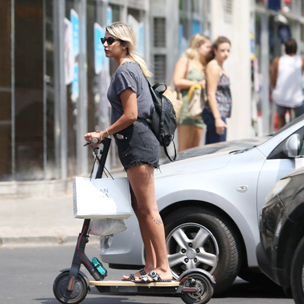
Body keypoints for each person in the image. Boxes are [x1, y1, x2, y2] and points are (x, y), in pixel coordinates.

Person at [84, 21, 173, 283]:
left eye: (110, 40)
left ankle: (164, 268)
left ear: (124, 44)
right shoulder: (132, 68)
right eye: (103, 40)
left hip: (138, 143)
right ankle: (150, 266)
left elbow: (132, 114)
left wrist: (103, 133)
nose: (105, 44)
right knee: (140, 208)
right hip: (135, 142)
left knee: (148, 209)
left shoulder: (125, 71)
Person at [173, 34, 211, 151]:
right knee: (184, 150)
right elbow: (177, 81)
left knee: (195, 150)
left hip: (200, 109)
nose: (210, 50)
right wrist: (197, 83)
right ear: (197, 46)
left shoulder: (205, 64)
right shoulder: (186, 60)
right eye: (207, 47)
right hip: (187, 107)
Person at [270, 39, 304, 129]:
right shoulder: (302, 61)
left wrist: (275, 89)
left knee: (281, 116)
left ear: (285, 50)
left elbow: (273, 80)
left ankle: (279, 135)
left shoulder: (278, 61)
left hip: (281, 98)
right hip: (297, 100)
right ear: (296, 50)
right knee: (301, 120)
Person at [203, 36, 232, 143]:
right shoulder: (214, 67)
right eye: (222, 50)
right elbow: (211, 94)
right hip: (215, 114)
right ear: (215, 50)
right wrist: (217, 119)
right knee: (216, 152)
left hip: (220, 113)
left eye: (228, 50)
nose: (226, 53)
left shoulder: (219, 66)